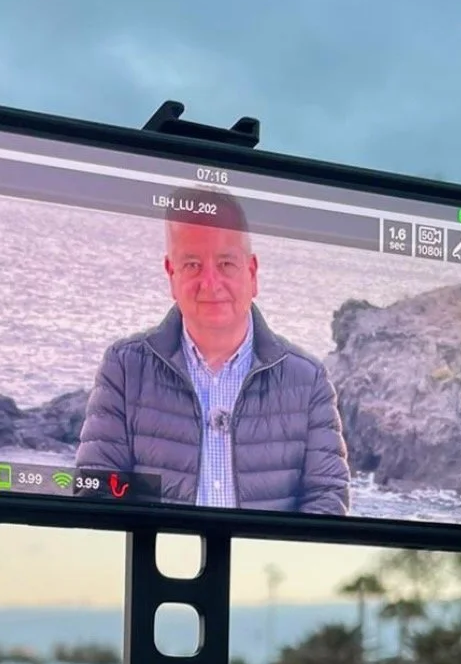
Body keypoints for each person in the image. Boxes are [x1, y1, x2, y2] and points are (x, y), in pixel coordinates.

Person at [75, 193, 351, 514]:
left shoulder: (307, 379)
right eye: (192, 264)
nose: (210, 282)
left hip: (268, 565)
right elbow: (96, 491)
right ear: (171, 274)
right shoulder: (124, 367)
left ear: (252, 272)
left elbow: (326, 499)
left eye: (226, 264)